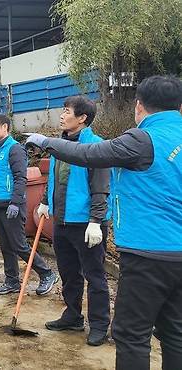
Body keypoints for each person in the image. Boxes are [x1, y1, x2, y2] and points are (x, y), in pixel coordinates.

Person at [26, 75, 182, 370]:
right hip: (174, 254)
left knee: (132, 334)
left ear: (139, 106)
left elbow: (91, 158)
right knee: (174, 332)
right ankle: (72, 315)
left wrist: (45, 142)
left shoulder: (141, 140)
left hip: (148, 252)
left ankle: (98, 324)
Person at [36, 96, 111, 346]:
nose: (61, 115)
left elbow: (101, 187)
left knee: (95, 275)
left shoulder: (97, 146)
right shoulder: (60, 144)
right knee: (69, 272)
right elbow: (53, 178)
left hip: (87, 224)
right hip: (63, 222)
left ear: (82, 118)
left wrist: (96, 220)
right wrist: (46, 201)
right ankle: (73, 315)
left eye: (66, 111)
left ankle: (100, 324)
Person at [0, 114, 58, 296]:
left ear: (5, 127)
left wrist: (16, 202)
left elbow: (20, 178)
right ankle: (12, 281)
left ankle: (47, 273)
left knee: (19, 245)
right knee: (6, 246)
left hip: (12, 206)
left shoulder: (14, 149)